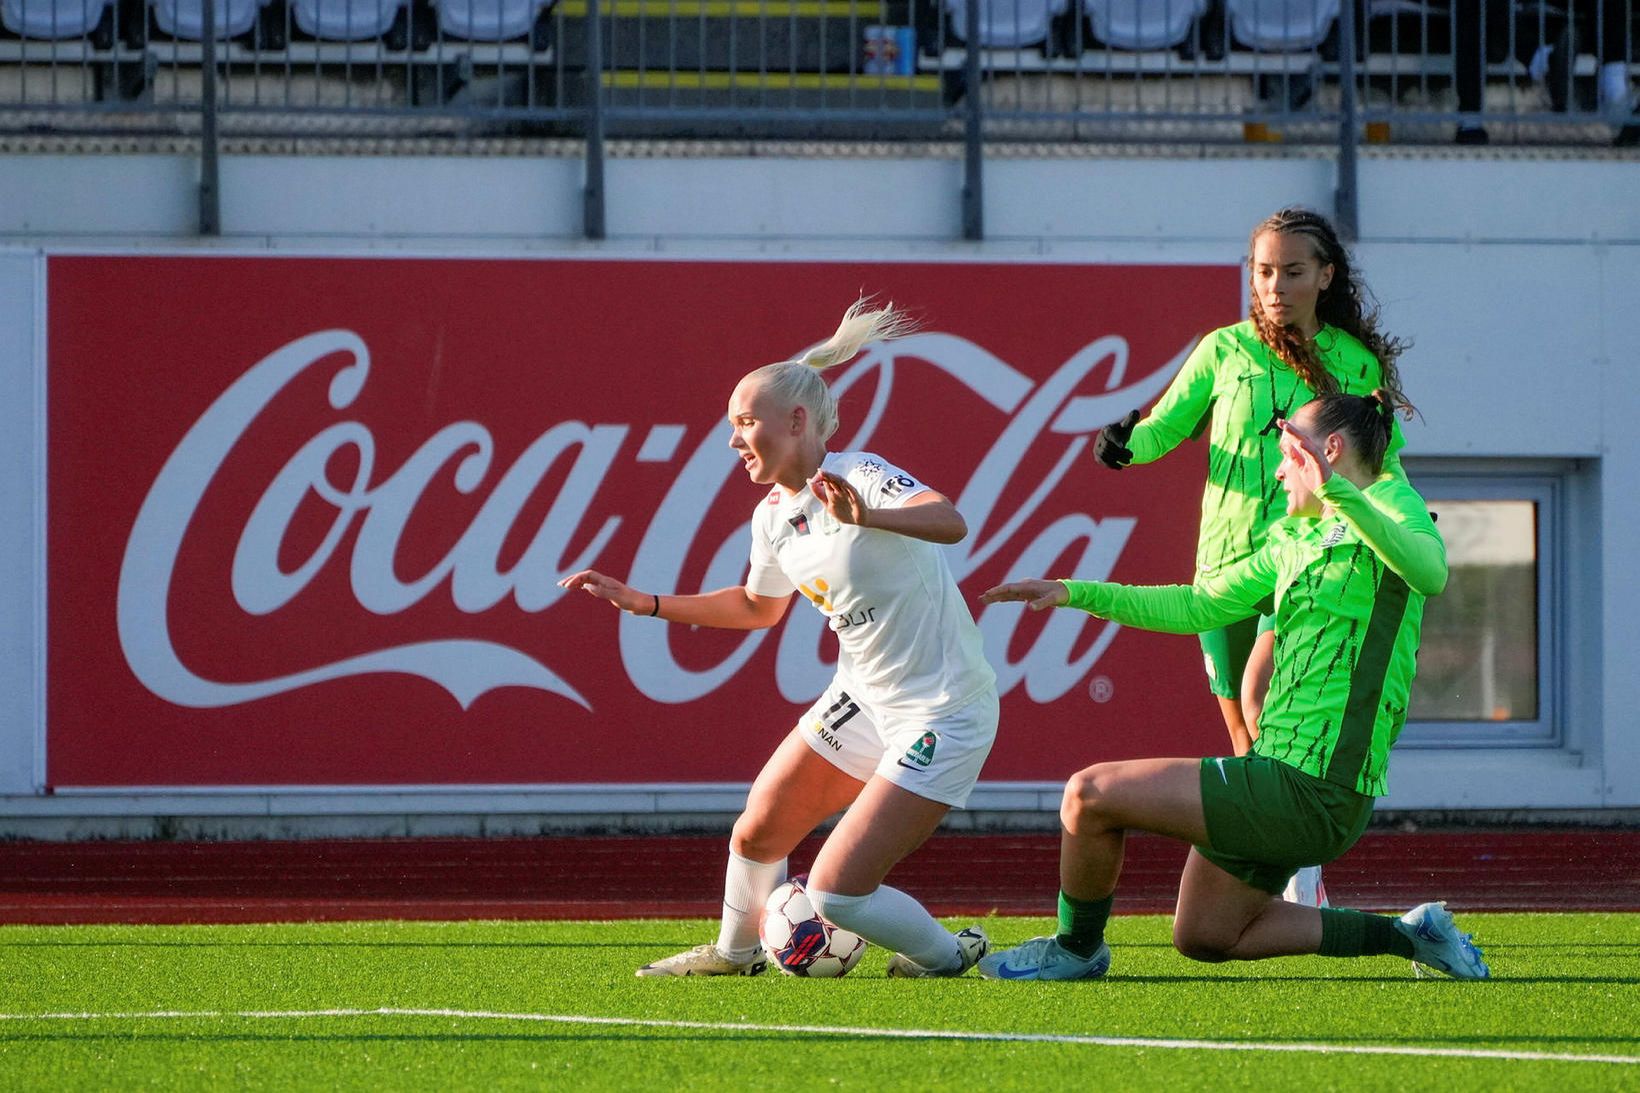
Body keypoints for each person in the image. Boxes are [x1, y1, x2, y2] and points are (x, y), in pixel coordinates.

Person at [975, 391, 1489, 983]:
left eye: (1287, 455)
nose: (1276, 470)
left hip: (1318, 786)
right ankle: (1408, 935)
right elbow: (1197, 605)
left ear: (1329, 451)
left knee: (1088, 794)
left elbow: (1431, 572)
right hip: (1282, 775)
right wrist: (1073, 592)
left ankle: (1075, 950)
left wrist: (1336, 490)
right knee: (1205, 935)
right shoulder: (1295, 538)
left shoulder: (1391, 502)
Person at [560, 299, 997, 979]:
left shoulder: (859, 473)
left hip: (943, 710)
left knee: (833, 893)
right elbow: (757, 607)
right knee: (757, 829)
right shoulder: (772, 517)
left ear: (797, 423)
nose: (734, 440)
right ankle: (734, 956)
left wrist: (875, 515)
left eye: (745, 423)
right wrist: (642, 602)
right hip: (862, 698)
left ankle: (948, 955)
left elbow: (950, 520)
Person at [1091, 207, 1411, 907]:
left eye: (1292, 271)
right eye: (1263, 271)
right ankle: (1268, 873)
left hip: (1306, 557)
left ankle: (1303, 879)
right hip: (1225, 566)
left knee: (1267, 692)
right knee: (1243, 729)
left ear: (1325, 277)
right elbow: (1164, 427)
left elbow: (1382, 461)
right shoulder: (1223, 350)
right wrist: (1125, 447)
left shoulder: (1354, 364)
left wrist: (1391, 522)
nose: (1274, 285)